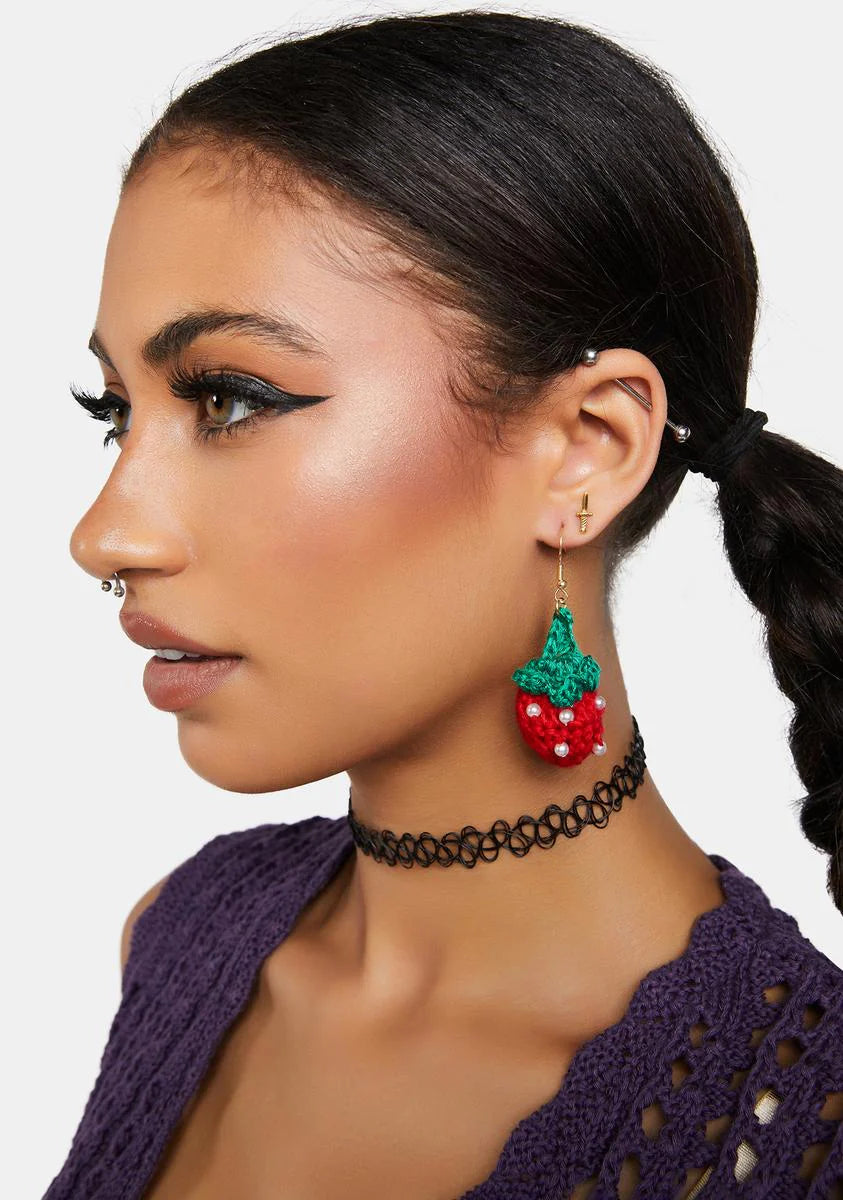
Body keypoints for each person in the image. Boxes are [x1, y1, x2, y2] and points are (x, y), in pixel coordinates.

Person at [46, 10, 842, 1200]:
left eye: (229, 399)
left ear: (584, 449)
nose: (105, 535)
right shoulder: (180, 935)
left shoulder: (797, 1130)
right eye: (117, 412)